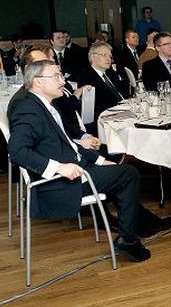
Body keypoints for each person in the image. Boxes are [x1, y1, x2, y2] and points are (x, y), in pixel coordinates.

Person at [8, 60, 151, 261]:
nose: (62, 81)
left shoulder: (44, 105)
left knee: (118, 167)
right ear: (38, 82)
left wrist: (100, 162)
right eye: (56, 76)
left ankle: (132, 230)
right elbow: (16, 151)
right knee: (129, 173)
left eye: (61, 75)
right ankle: (129, 237)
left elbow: (69, 144)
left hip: (79, 166)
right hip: (61, 183)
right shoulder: (28, 110)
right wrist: (58, 168)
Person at [77, 42, 131, 134]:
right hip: (106, 120)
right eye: (104, 55)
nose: (108, 59)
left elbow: (123, 94)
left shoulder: (111, 74)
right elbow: (95, 107)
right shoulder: (86, 77)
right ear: (93, 57)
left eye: (110, 56)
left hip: (124, 112)